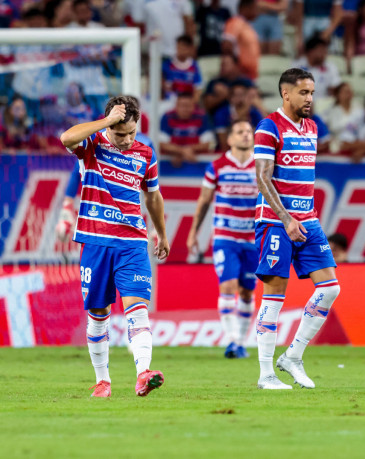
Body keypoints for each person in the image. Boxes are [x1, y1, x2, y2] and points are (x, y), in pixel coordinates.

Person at [59, 96, 170, 398]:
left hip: (132, 242)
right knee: (98, 313)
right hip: (95, 241)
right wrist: (107, 123)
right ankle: (102, 381)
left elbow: (153, 196)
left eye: (132, 133)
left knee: (137, 309)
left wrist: (161, 232)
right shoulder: (91, 144)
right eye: (121, 134)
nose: (127, 140)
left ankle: (143, 373)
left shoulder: (146, 153)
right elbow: (66, 137)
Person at [253, 68, 341, 390]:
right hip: (276, 222)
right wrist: (286, 218)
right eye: (304, 93)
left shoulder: (312, 128)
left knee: (330, 289)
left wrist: (301, 218)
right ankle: (266, 375)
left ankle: (292, 356)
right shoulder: (268, 127)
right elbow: (263, 178)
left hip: (309, 220)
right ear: (286, 94)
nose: (310, 99)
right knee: (274, 297)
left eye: (312, 93)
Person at [187, 120, 258, 359]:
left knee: (247, 292)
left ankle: (241, 341)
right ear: (229, 139)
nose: (246, 135)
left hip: (253, 238)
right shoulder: (217, 166)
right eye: (240, 132)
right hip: (225, 237)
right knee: (228, 286)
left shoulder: (262, 166)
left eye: (249, 131)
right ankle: (232, 341)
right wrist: (193, 231)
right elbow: (204, 200)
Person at [159, 93, 215, 166]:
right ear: (176, 106)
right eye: (182, 106)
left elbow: (208, 144)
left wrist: (184, 151)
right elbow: (162, 144)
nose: (185, 109)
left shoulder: (202, 117)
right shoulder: (167, 117)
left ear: (194, 106)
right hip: (170, 166)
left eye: (188, 106)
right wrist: (183, 151)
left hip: (198, 164)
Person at [213, 81, 263, 150]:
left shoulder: (254, 112)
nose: (240, 99)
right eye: (236, 95)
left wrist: (259, 106)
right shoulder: (222, 114)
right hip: (228, 152)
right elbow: (223, 143)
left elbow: (262, 139)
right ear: (230, 98)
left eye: (243, 95)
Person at [293, 36, 342, 102]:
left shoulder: (330, 67)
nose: (324, 54)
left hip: (324, 106)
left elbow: (336, 89)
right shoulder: (297, 66)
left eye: (325, 51)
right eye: (321, 50)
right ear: (311, 51)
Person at [223, 0, 261, 80]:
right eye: (255, 8)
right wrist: (236, 68)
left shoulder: (247, 25)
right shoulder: (235, 22)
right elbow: (226, 46)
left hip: (250, 74)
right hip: (239, 74)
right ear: (245, 8)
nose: (257, 11)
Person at [162, 35, 204, 101]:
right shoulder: (167, 64)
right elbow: (164, 87)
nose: (181, 50)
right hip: (170, 101)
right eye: (179, 47)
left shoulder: (194, 66)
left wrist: (192, 103)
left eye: (184, 48)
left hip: (188, 102)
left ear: (190, 49)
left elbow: (198, 89)